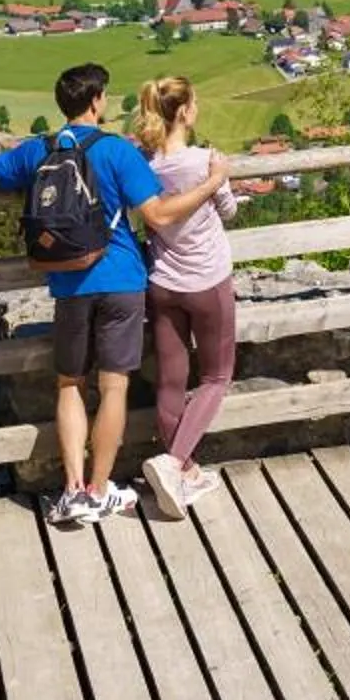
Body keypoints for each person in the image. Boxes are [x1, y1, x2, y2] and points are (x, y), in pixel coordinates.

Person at [0, 62, 227, 526]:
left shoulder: (39, 151)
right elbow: (159, 215)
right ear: (95, 102)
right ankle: (100, 489)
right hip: (122, 280)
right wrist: (210, 183)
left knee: (69, 383)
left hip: (68, 284)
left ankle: (71, 491)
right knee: (113, 387)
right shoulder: (116, 152)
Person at [131, 75, 240, 519]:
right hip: (208, 281)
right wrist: (219, 179)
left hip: (163, 283)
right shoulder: (205, 163)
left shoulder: (143, 165)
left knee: (171, 380)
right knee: (216, 377)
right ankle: (175, 463)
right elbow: (228, 211)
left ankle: (187, 472)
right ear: (185, 111)